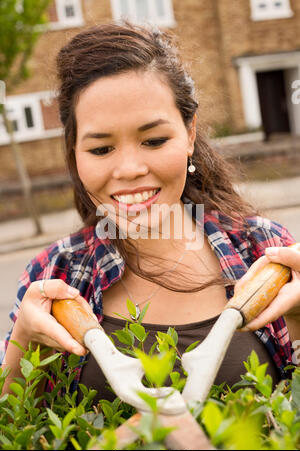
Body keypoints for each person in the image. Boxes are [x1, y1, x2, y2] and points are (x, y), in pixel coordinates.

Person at [1, 22, 300, 403]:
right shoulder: (56, 274)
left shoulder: (264, 250)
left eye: (154, 140)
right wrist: (24, 343)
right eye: (100, 149)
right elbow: (18, 428)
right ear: (75, 154)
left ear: (190, 133)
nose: (128, 169)